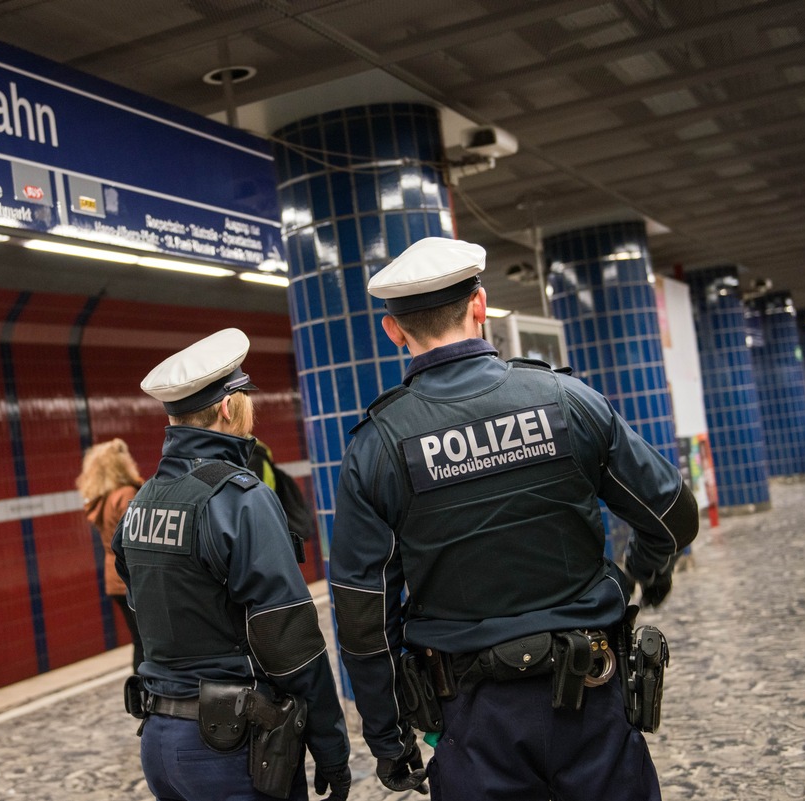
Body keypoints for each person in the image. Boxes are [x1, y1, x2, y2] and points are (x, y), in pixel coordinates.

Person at [328, 237, 699, 800]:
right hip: (592, 693)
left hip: (472, 719)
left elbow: (363, 619)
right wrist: (641, 568)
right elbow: (673, 516)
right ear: (480, 305)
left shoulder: (377, 447)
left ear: (394, 330)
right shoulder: (567, 400)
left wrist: (388, 736)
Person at [114, 328, 352, 801]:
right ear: (228, 407)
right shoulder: (238, 498)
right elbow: (289, 638)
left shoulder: (142, 501)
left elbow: (143, 603)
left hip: (161, 740)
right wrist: (330, 744)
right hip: (230, 748)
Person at [77, 438, 145, 672]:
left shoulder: (103, 499)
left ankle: (142, 695)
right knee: (147, 643)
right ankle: (146, 694)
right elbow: (137, 539)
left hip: (114, 578)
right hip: (132, 578)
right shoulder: (126, 494)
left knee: (139, 640)